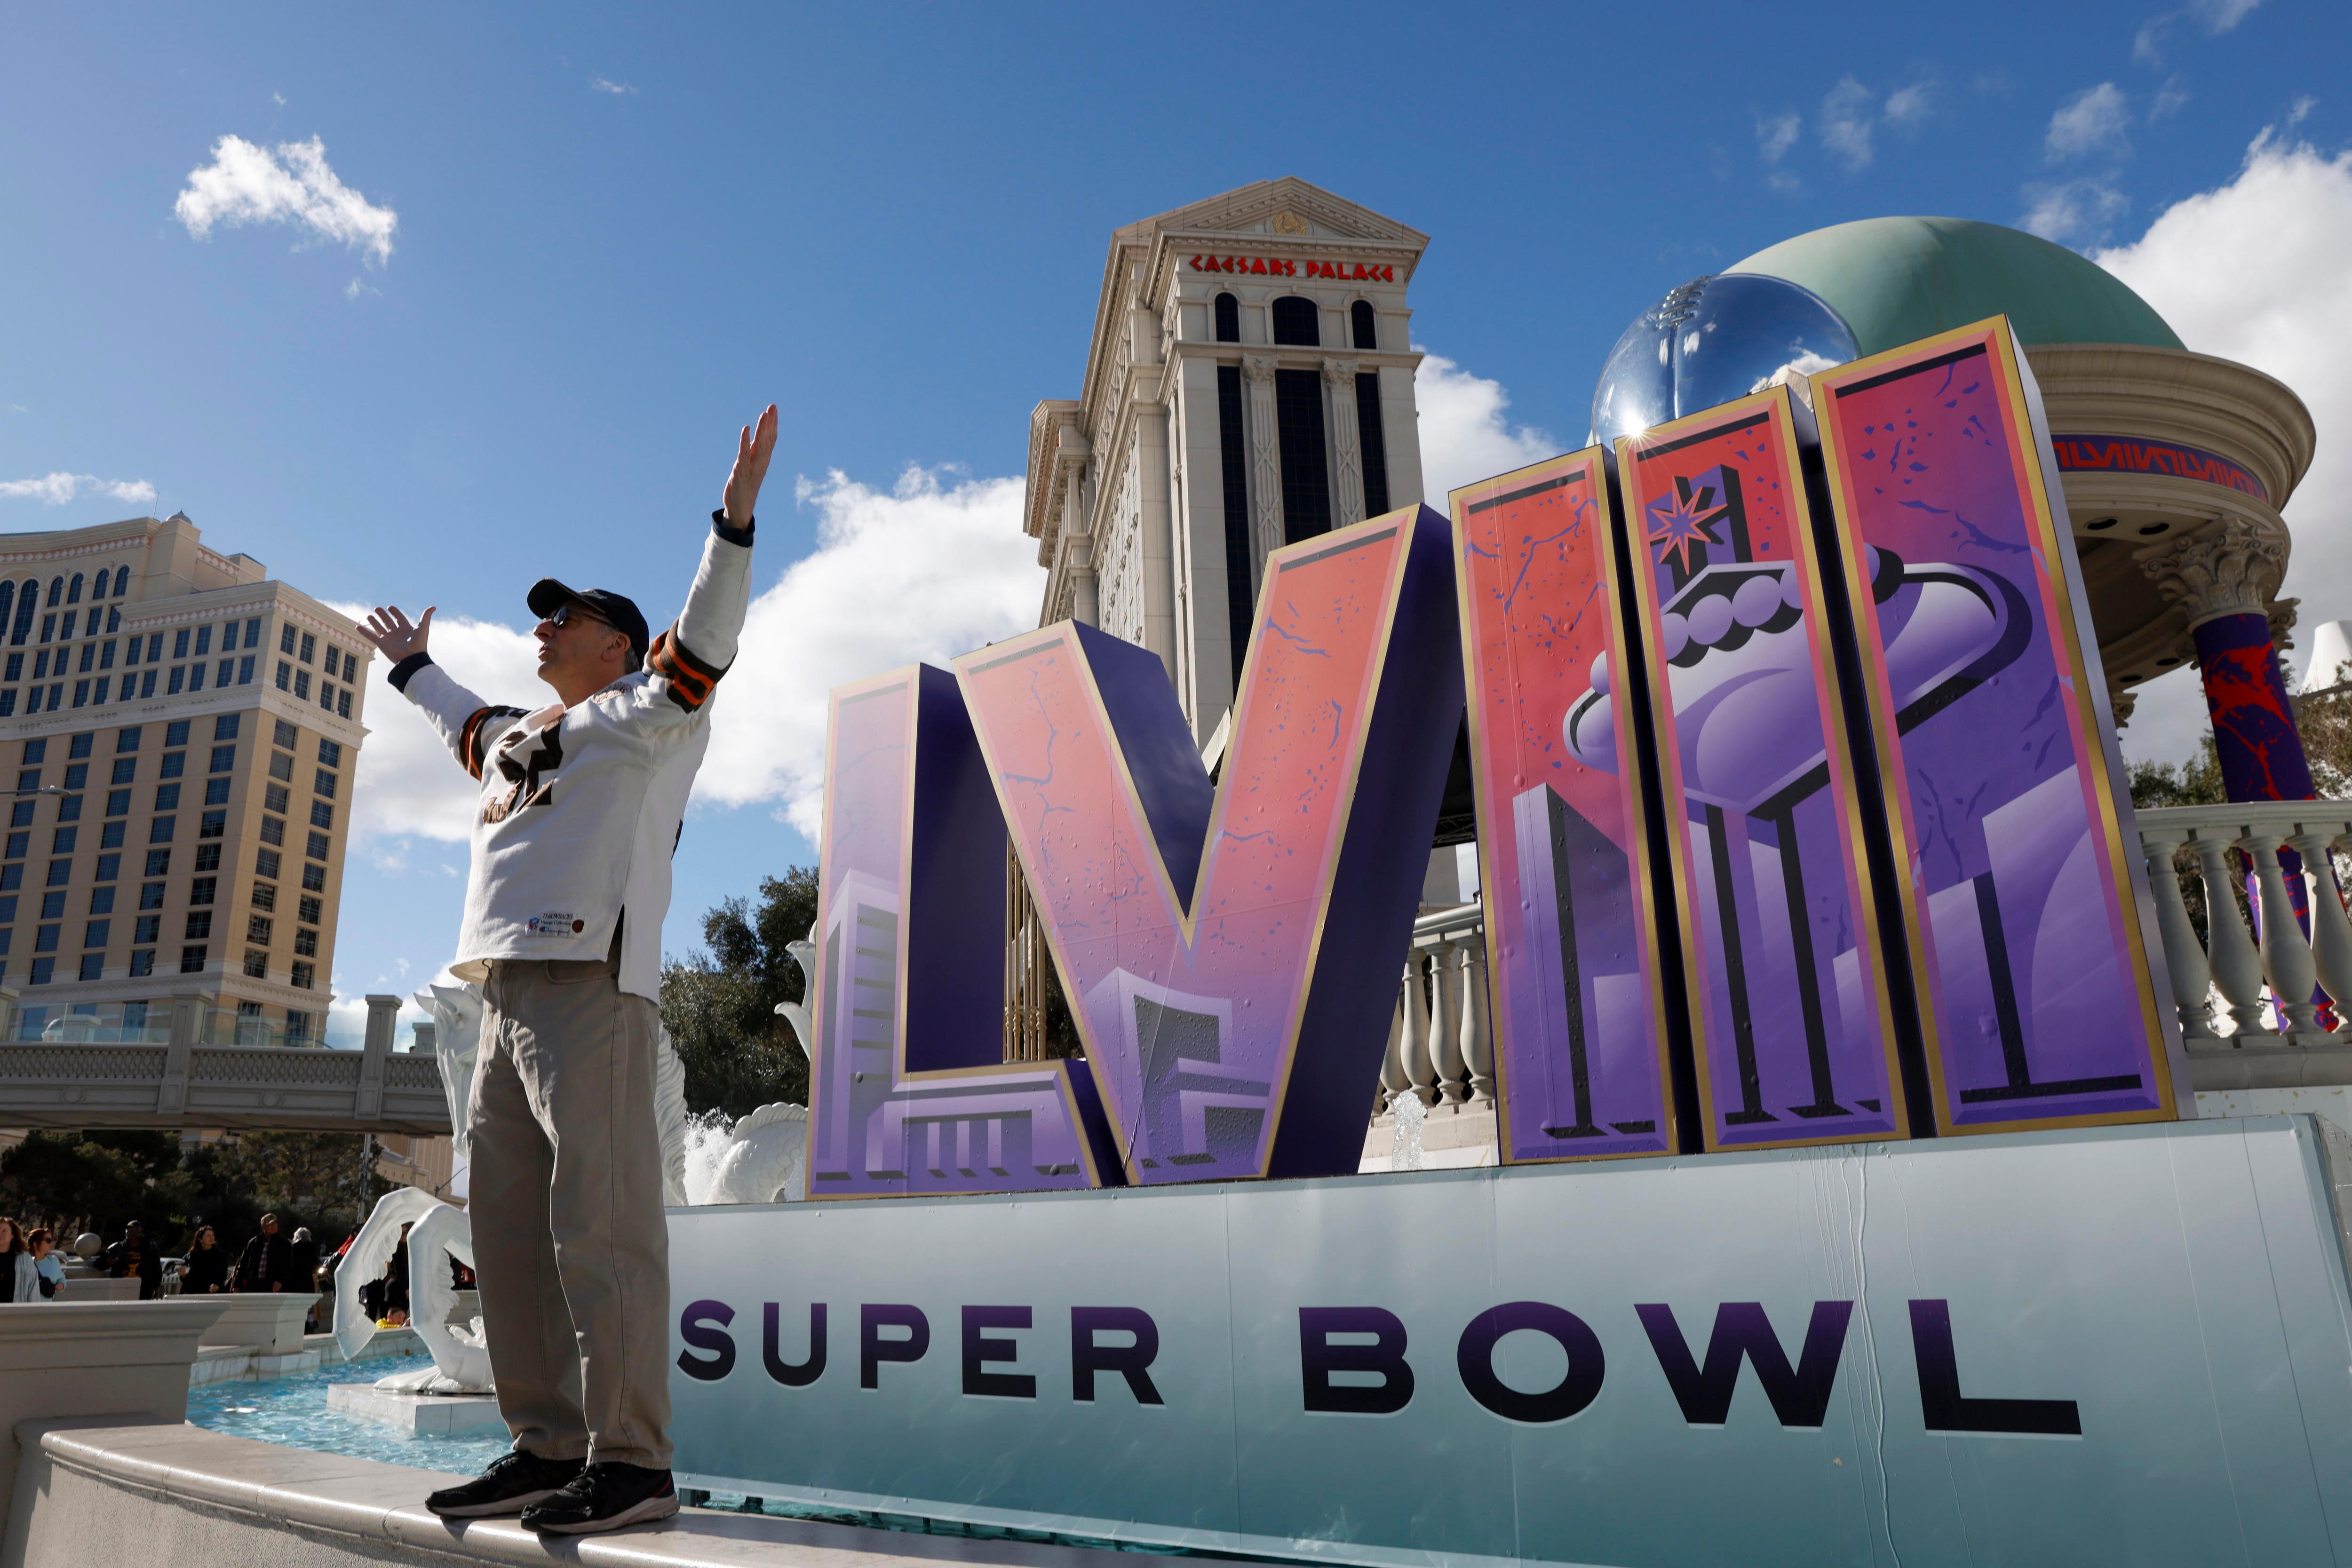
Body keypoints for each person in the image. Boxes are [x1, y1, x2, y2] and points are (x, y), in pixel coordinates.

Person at [359, 405, 772, 1536]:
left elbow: (707, 635)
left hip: (594, 985)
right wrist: (411, 667)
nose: (545, 631)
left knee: (606, 1229)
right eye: (547, 619)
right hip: (500, 993)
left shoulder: (652, 715)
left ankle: (632, 1462)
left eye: (571, 619)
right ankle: (543, 1446)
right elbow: (459, 715)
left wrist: (730, 524)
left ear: (621, 648)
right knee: (506, 1233)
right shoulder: (517, 735)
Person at [100, 1221, 162, 1299]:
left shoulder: (150, 1248)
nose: (128, 1231)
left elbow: (157, 1269)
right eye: (127, 1228)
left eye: (131, 1228)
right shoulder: (118, 1248)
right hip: (121, 1288)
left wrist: (154, 1286)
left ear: (140, 1231)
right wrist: (107, 1263)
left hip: (143, 1289)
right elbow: (99, 1263)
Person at [235, 1213, 294, 1292]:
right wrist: (237, 1285)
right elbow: (243, 1265)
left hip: (273, 1287)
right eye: (270, 1224)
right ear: (263, 1227)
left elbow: (288, 1265)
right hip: (253, 1286)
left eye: (275, 1223)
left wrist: (280, 1281)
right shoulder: (254, 1243)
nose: (274, 1226)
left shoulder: (284, 1244)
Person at [179, 1225, 231, 1294]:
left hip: (212, 1293)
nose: (211, 1238)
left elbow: (223, 1273)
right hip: (193, 1292)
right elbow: (187, 1277)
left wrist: (218, 1284)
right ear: (200, 1239)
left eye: (213, 1235)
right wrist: (183, 1275)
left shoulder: (219, 1255)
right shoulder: (192, 1255)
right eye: (208, 1236)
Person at [0, 1218, 36, 1303]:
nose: (0, 1234)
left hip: (15, 1312)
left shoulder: (24, 1259)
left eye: (4, 1231)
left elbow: (33, 1288)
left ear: (13, 1235)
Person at [27, 1228, 64, 1301]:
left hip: (47, 1308)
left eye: (52, 1239)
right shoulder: (25, 1263)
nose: (52, 1243)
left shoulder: (54, 1261)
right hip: (28, 1308)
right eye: (48, 1240)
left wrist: (62, 1284)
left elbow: (61, 1278)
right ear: (36, 1243)